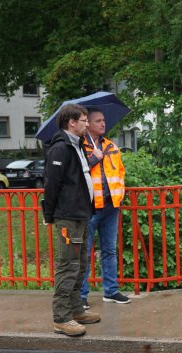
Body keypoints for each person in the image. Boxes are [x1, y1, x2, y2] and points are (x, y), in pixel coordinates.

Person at [41, 103, 101, 337]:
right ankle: (61, 318)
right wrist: (49, 214)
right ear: (71, 122)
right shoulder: (61, 148)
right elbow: (51, 184)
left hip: (81, 213)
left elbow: (78, 178)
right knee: (68, 265)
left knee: (80, 264)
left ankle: (76, 310)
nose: (87, 124)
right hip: (68, 215)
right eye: (84, 120)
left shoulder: (76, 146)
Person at [78, 108, 129, 309]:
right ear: (88, 124)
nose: (103, 124)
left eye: (104, 120)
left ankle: (111, 291)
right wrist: (93, 159)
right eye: (98, 121)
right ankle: (82, 295)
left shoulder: (111, 146)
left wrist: (120, 193)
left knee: (109, 250)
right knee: (85, 253)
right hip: (90, 208)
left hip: (111, 206)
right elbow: (75, 173)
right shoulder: (80, 147)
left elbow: (120, 172)